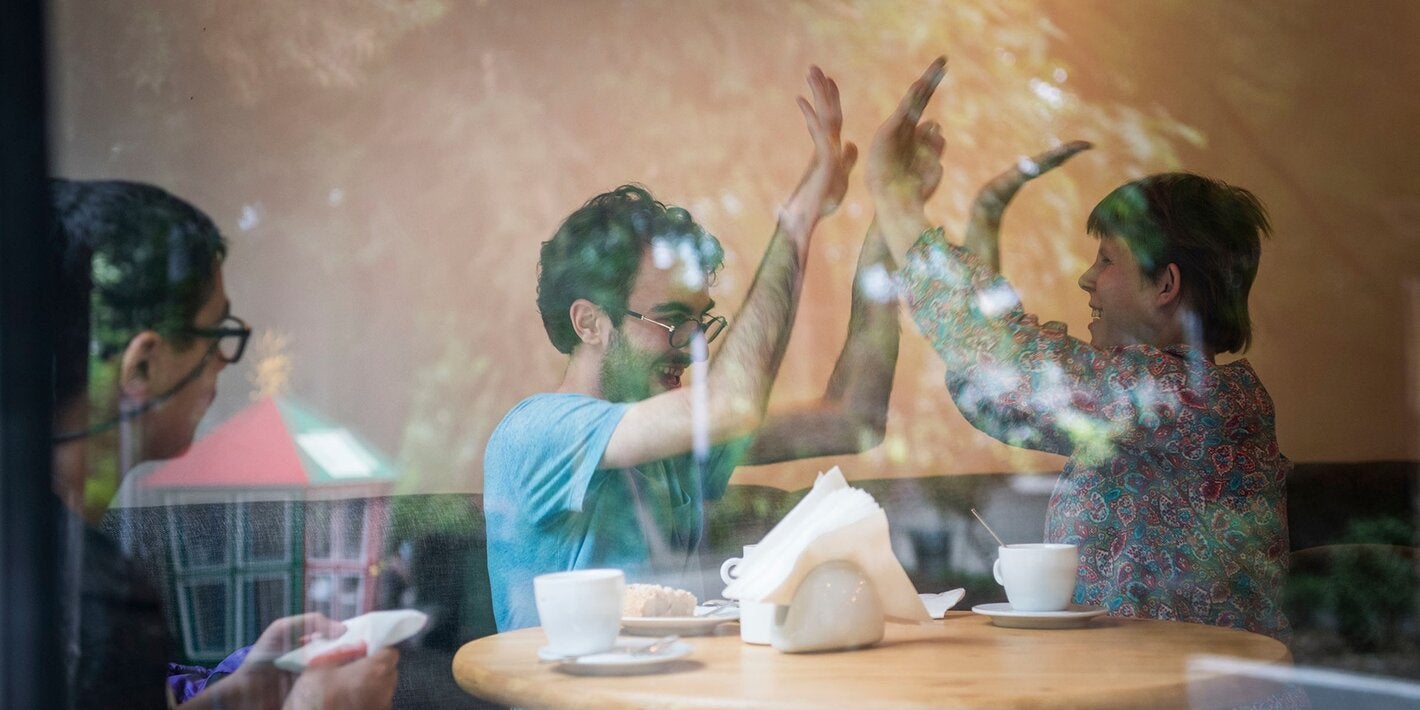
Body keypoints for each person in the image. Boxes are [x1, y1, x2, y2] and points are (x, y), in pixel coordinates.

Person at [864, 59, 1290, 639]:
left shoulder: (1196, 401)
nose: (1087, 280)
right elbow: (995, 391)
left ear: (1165, 285)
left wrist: (891, 193)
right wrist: (986, 213)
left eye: (1106, 261)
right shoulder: (1168, 400)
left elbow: (1008, 366)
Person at [485, 66, 907, 631]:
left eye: (699, 321)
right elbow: (732, 400)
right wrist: (800, 217)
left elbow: (854, 420)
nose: (692, 345)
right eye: (671, 320)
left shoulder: (670, 450)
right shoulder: (534, 435)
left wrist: (889, 220)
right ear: (589, 323)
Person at [50, 178, 400, 708]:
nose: (221, 361)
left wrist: (234, 695)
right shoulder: (89, 604)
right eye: (218, 334)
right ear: (142, 365)